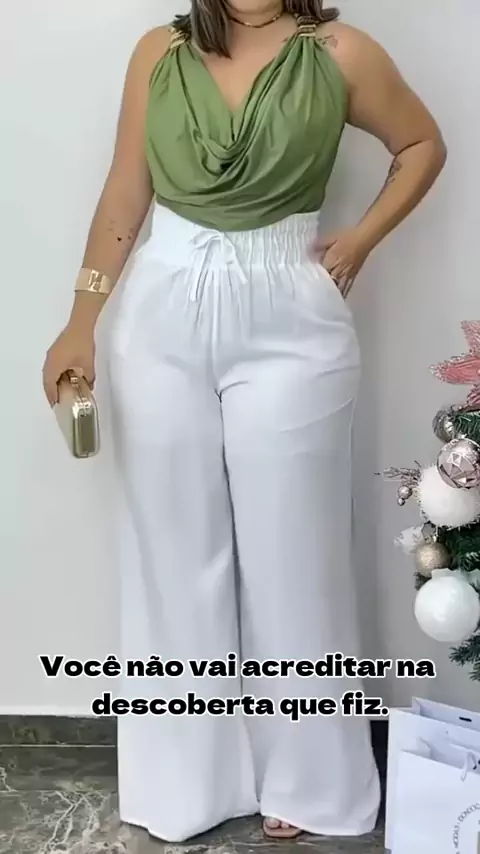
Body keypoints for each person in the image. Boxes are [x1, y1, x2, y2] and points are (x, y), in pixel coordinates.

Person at [42, 0, 446, 843]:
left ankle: (311, 781)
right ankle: (184, 784)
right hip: (160, 309)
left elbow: (420, 144)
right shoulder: (157, 53)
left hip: (291, 309)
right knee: (172, 556)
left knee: (293, 557)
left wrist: (361, 239)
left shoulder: (340, 52)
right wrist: (81, 321)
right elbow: (125, 192)